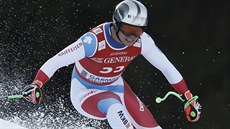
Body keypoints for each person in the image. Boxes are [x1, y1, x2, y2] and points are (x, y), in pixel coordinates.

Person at [22, 0, 201, 128]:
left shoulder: (142, 41)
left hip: (116, 86)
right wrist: (37, 84)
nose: (132, 37)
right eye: (128, 29)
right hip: (85, 92)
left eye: (138, 30)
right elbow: (57, 61)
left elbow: (166, 66)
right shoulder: (94, 41)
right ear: (116, 24)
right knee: (114, 107)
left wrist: (188, 97)